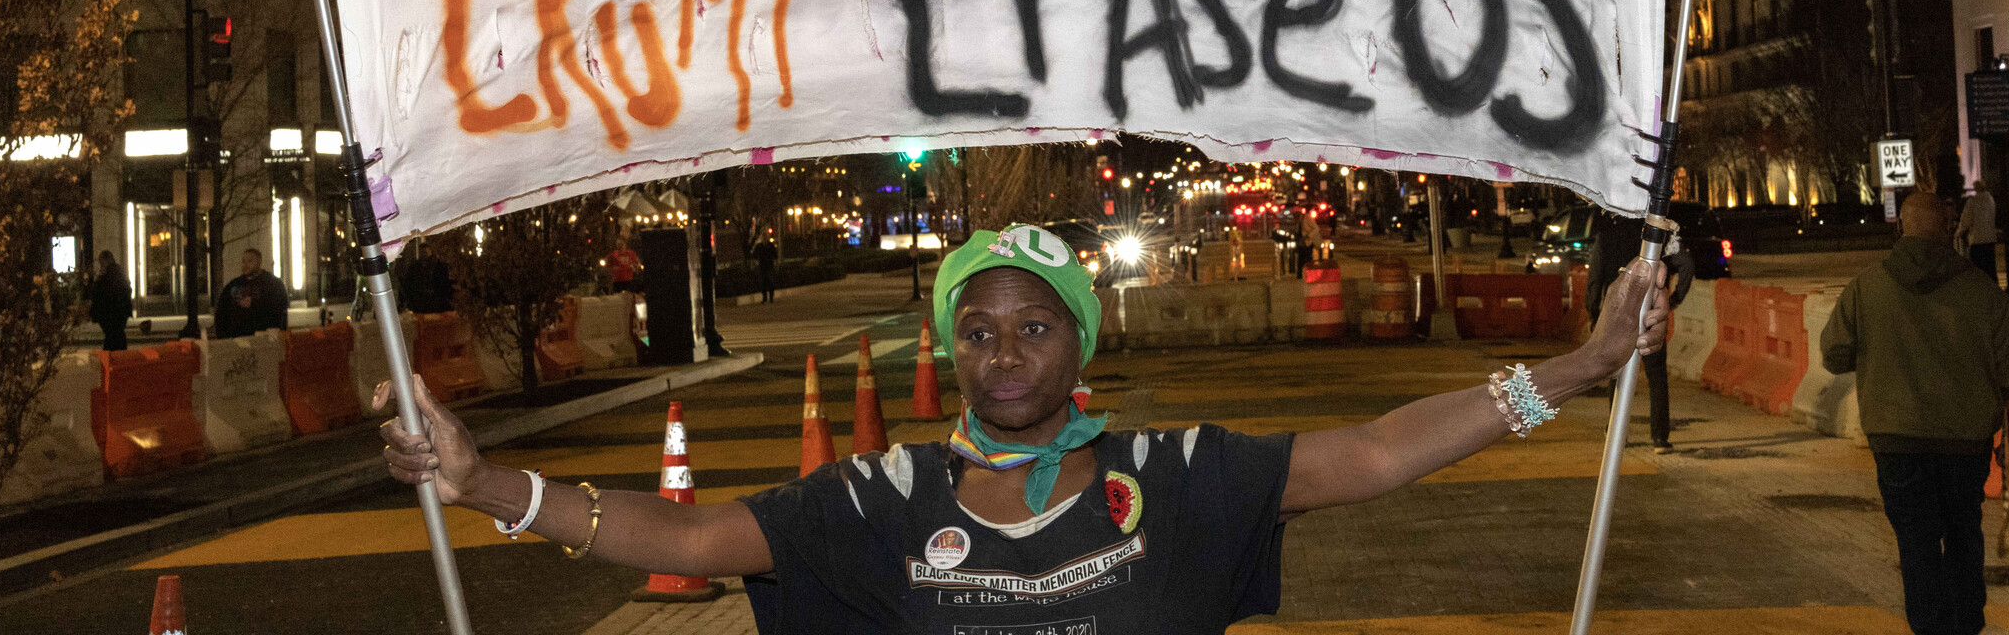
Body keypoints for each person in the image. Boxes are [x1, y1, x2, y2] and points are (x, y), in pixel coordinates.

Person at [378, 223, 1674, 633]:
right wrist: (488, 480)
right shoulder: (878, 499)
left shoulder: (1180, 478)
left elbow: (1382, 450)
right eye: (980, 329)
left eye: (1035, 326)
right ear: (952, 348)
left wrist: (1581, 365)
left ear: (1080, 344)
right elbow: (695, 535)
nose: (1005, 351)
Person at [1820, 192, 2009, 635]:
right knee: (1963, 537)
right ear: (1949, 228)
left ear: (1902, 228)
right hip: (1966, 443)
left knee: (1915, 544)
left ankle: (1930, 627)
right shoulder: (1980, 289)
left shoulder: (1867, 286)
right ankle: (1966, 624)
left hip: (1897, 440)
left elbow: (1835, 354)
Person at [1586, 211, 1694, 453]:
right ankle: (1660, 437)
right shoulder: (1659, 234)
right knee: (1657, 378)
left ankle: (1617, 433)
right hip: (1650, 315)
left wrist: (1593, 312)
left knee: (1618, 376)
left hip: (1618, 316)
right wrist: (1674, 299)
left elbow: (1594, 277)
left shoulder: (1607, 235)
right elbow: (1686, 265)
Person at [213, 248, 290, 339]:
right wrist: (222, 336)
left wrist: (255, 304)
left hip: (264, 338)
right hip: (238, 338)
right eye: (243, 261)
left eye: (250, 261)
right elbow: (222, 310)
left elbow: (280, 309)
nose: (245, 265)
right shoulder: (234, 285)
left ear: (259, 262)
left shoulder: (272, 284)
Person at [87, 250, 132, 352]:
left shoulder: (106, 276)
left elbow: (98, 292)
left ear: (104, 261)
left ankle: (112, 360)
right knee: (118, 335)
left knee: (111, 337)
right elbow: (127, 290)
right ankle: (120, 357)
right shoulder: (120, 272)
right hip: (120, 312)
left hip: (108, 312)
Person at [1954, 180, 1998, 279]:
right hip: (1990, 239)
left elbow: (1966, 220)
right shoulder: (1991, 200)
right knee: (1991, 268)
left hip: (1977, 240)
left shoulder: (1972, 202)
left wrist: (1958, 232)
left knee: (1979, 269)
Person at [750, 236, 780, 303]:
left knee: (771, 282)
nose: (765, 240)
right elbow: (754, 256)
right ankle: (764, 297)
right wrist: (753, 264)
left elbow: (775, 256)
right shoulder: (759, 246)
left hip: (769, 266)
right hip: (762, 267)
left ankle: (771, 298)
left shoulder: (771, 246)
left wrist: (776, 265)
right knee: (762, 283)